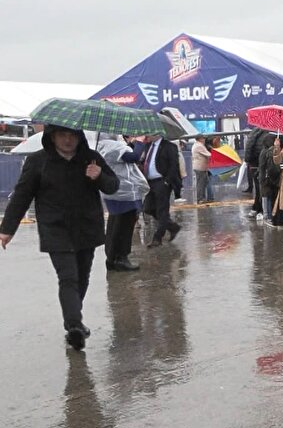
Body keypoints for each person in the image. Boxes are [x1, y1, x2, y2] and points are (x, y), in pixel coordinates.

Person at [0, 126, 119, 350]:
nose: (67, 140)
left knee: (82, 277)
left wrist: (99, 176)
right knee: (68, 277)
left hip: (86, 228)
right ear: (52, 137)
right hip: (55, 229)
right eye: (62, 135)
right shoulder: (38, 161)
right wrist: (8, 229)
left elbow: (113, 186)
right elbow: (22, 194)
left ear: (79, 137)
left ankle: (74, 319)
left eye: (72, 135)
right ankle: (74, 326)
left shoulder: (91, 158)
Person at [95, 133, 149, 272]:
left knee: (115, 224)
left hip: (113, 192)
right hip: (125, 192)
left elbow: (121, 157)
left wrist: (131, 144)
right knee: (124, 226)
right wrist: (140, 142)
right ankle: (121, 258)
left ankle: (112, 258)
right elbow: (133, 157)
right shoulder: (112, 146)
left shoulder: (100, 145)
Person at [140, 133, 183, 247]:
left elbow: (174, 165)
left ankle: (157, 238)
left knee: (162, 210)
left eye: (150, 132)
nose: (147, 134)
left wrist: (167, 181)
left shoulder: (169, 146)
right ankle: (172, 227)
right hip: (150, 183)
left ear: (157, 133)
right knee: (148, 208)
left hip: (161, 181)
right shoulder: (148, 146)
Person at [244, 127, 271, 218]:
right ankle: (261, 209)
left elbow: (249, 146)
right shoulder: (268, 133)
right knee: (263, 188)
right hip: (261, 163)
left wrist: (247, 160)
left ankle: (256, 208)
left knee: (259, 188)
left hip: (253, 163)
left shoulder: (255, 131)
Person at [258, 134, 283, 226]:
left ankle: (266, 216)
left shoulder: (263, 151)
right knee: (269, 197)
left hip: (263, 176)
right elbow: (274, 167)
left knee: (265, 196)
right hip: (268, 178)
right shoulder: (270, 151)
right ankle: (268, 216)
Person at [191, 137, 212, 203]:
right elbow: (208, 154)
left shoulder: (196, 145)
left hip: (200, 167)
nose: (204, 140)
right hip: (200, 167)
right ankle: (200, 199)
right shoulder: (199, 146)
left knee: (204, 182)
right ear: (200, 139)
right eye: (203, 138)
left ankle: (202, 198)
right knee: (201, 184)